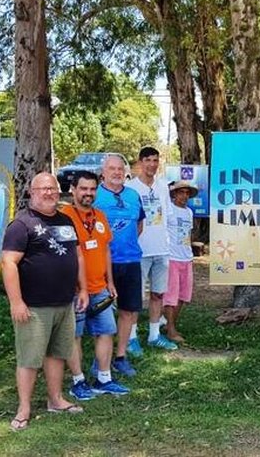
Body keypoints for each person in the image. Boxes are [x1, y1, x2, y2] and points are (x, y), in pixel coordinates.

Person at [1, 173, 88, 431]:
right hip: (34, 306)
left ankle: (56, 399)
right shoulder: (22, 224)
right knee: (29, 358)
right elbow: (8, 263)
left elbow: (77, 255)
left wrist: (83, 289)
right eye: (43, 189)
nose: (49, 193)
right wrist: (16, 302)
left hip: (64, 302)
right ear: (32, 191)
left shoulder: (66, 220)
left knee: (57, 354)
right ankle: (24, 409)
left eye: (52, 188)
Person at [61, 171, 130, 399]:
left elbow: (106, 249)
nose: (88, 193)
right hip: (74, 291)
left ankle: (104, 378)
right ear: (73, 189)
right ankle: (78, 381)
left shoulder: (100, 216)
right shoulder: (64, 216)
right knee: (75, 336)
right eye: (83, 189)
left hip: (100, 288)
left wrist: (110, 282)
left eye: (92, 189)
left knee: (106, 332)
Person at [94, 154, 146, 377]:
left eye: (120, 169)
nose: (116, 172)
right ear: (103, 172)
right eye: (111, 168)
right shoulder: (94, 195)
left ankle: (121, 356)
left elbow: (139, 225)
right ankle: (99, 359)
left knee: (128, 311)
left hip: (131, 261)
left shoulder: (134, 195)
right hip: (103, 264)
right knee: (101, 312)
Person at [127, 147, 178, 350]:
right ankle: (131, 338)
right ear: (140, 162)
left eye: (155, 160)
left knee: (158, 294)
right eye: (148, 160)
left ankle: (154, 335)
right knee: (135, 297)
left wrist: (171, 244)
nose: (152, 164)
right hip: (139, 251)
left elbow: (170, 216)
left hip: (161, 250)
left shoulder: (163, 186)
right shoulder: (130, 188)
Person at [163, 181, 197, 343]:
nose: (184, 196)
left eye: (187, 193)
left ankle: (170, 324)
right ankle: (170, 329)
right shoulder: (168, 210)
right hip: (172, 257)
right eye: (181, 192)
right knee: (171, 296)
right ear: (174, 194)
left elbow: (188, 235)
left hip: (186, 257)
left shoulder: (189, 212)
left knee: (183, 296)